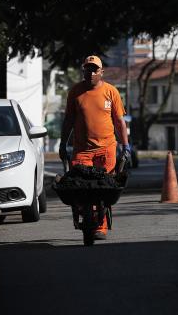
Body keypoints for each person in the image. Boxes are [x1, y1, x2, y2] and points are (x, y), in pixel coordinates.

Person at [59, 55, 130, 239]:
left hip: (106, 149)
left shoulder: (111, 91)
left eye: (94, 70)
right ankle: (85, 213)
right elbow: (68, 120)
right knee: (81, 187)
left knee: (104, 189)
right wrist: (62, 143)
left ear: (101, 72)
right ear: (83, 70)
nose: (90, 73)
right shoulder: (75, 92)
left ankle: (101, 226)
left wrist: (125, 146)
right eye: (87, 69)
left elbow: (119, 122)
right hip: (82, 150)